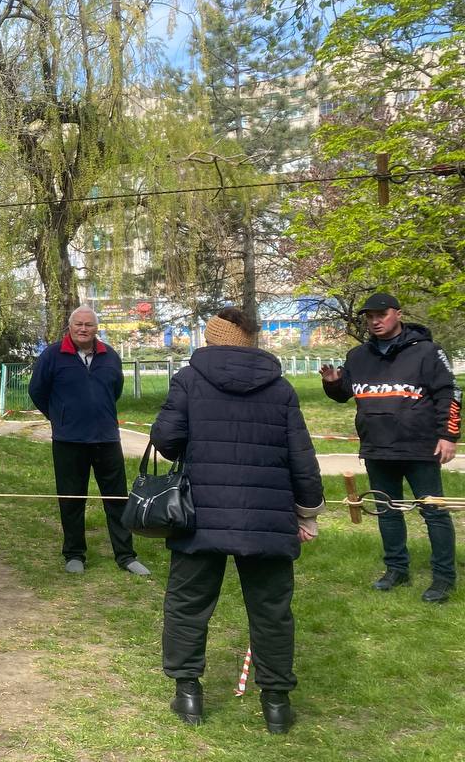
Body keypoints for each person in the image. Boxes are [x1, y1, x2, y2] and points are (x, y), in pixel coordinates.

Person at [151, 307, 324, 734]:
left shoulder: (188, 380)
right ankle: (276, 704)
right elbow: (302, 458)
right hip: (267, 515)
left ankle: (188, 693)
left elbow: (167, 441)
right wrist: (308, 512)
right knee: (271, 611)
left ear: (210, 339)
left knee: (188, 604)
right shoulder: (281, 388)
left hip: (200, 513)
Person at [320, 292, 459, 603]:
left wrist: (448, 436)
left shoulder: (427, 351)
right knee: (386, 510)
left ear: (398, 314)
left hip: (419, 447)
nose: (375, 321)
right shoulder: (357, 356)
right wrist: (332, 382)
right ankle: (396, 569)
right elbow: (344, 393)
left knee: (434, 512)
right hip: (376, 447)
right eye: (369, 316)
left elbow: (449, 393)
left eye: (381, 314)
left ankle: (443, 577)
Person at [28, 305, 149, 576]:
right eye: (78, 324)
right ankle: (74, 554)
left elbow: (114, 390)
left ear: (96, 328)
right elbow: (37, 391)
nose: (83, 329)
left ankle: (126, 556)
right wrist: (60, 417)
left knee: (117, 498)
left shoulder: (110, 356)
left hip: (107, 439)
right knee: (72, 499)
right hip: (68, 441)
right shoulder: (52, 355)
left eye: (89, 324)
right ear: (70, 327)